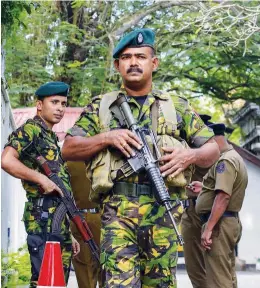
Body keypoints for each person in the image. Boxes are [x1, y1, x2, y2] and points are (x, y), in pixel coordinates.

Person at [62, 28, 219, 287]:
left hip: (163, 212)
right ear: (117, 65)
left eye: (140, 56)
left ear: (154, 63)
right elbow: (68, 148)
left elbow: (212, 150)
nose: (133, 62)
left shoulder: (175, 106)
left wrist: (188, 156)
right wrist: (106, 138)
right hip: (118, 213)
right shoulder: (101, 106)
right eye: (126, 57)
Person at [1, 82, 80, 287]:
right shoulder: (31, 130)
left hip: (57, 223)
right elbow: (7, 160)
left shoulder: (50, 137)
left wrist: (67, 233)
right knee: (44, 281)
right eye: (54, 102)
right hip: (42, 218)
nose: (60, 108)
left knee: (58, 282)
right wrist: (40, 179)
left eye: (63, 103)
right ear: (39, 104)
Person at [192, 123, 248, 288]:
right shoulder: (232, 157)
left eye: (206, 143)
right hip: (225, 222)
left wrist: (209, 228)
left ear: (214, 140)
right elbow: (223, 189)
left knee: (218, 279)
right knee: (226, 274)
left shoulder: (226, 161)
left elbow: (223, 197)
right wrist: (204, 190)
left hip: (219, 225)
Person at [181, 114, 214, 288]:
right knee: (194, 267)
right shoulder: (183, 150)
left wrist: (207, 188)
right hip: (189, 211)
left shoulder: (214, 153)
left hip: (209, 212)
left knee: (215, 268)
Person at [67, 161, 102, 288]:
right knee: (100, 267)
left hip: (94, 216)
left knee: (87, 269)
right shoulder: (69, 158)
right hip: (81, 218)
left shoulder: (68, 157)